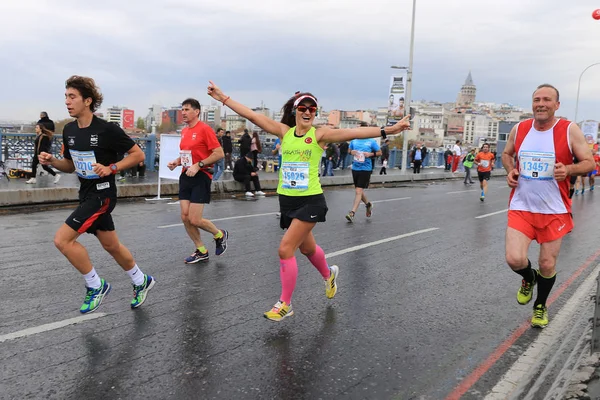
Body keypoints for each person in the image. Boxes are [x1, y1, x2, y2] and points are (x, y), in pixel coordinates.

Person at [207, 81, 410, 321]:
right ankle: (329, 274)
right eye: (302, 108)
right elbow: (252, 115)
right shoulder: (285, 132)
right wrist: (223, 98)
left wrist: (391, 130)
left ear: (315, 113)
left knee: (285, 249)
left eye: (311, 109)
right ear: (295, 112)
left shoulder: (319, 134)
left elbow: (354, 132)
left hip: (311, 200)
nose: (307, 112)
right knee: (307, 248)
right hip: (288, 201)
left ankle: (285, 303)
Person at [38, 75, 155, 313]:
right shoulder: (69, 130)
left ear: (88, 101)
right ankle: (141, 280)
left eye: (73, 97)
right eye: (66, 97)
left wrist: (112, 168)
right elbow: (69, 166)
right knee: (112, 245)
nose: (67, 102)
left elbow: (138, 155)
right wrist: (52, 161)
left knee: (62, 240)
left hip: (102, 195)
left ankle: (95, 285)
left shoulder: (107, 129)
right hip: (86, 193)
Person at [502, 84, 594, 329]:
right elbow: (507, 154)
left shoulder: (568, 130)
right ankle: (528, 278)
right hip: (522, 205)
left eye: (546, 100)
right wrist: (510, 169)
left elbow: (589, 163)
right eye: (536, 99)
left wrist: (569, 169)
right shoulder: (519, 128)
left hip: (554, 209)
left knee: (547, 264)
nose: (540, 104)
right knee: (514, 258)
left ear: (557, 105)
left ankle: (540, 305)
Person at [167, 98, 229, 264]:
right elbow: (187, 155)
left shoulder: (205, 130)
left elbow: (219, 153)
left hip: (201, 176)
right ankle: (201, 250)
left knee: (195, 219)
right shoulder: (185, 131)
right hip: (186, 175)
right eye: (183, 110)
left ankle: (219, 234)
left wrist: (199, 164)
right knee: (185, 216)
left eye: (187, 109)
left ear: (197, 112)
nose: (184, 113)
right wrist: (176, 162)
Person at [345, 136, 381, 222]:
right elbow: (349, 151)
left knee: (358, 191)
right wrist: (351, 152)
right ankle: (368, 205)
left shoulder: (371, 141)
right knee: (359, 190)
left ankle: (352, 213)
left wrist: (370, 154)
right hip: (355, 168)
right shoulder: (354, 140)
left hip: (366, 169)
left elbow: (380, 152)